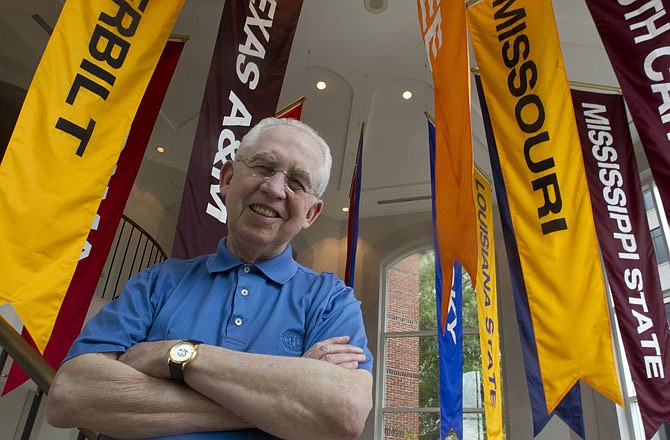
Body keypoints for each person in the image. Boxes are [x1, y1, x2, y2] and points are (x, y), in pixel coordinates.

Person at [46, 117, 373, 439]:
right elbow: (71, 395)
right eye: (262, 166)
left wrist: (173, 355)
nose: (273, 188)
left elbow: (344, 414)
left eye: (296, 183)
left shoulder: (331, 301)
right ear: (227, 178)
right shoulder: (158, 282)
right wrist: (285, 396)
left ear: (311, 214)